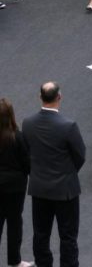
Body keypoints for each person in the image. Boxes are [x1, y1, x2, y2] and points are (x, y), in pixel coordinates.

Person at [22, 82, 85, 267]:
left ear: (40, 97)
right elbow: (80, 155)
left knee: (40, 234)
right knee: (68, 236)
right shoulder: (68, 126)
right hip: (66, 190)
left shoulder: (27, 123)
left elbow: (26, 153)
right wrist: (68, 172)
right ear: (60, 97)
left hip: (39, 188)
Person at [0, 98, 29, 267]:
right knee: (14, 223)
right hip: (15, 188)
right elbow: (27, 163)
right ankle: (14, 261)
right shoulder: (18, 137)